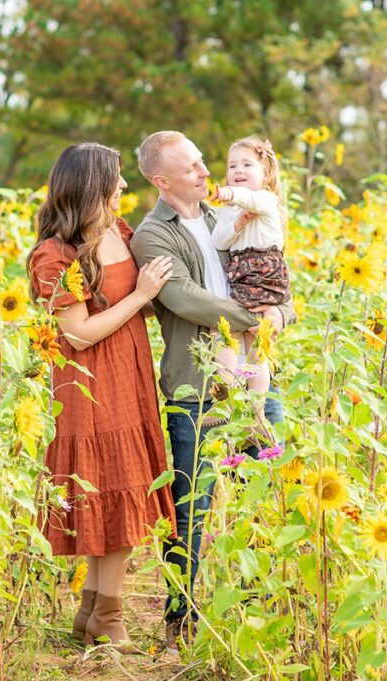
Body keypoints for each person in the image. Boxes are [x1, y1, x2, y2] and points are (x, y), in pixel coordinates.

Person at [128, 131, 298, 653]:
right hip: (196, 387)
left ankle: (260, 614)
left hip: (252, 376)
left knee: (266, 499)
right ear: (162, 180)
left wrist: (282, 312)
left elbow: (276, 283)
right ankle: (181, 622)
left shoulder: (229, 220)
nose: (207, 173)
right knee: (191, 511)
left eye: (207, 163)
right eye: (194, 167)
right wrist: (257, 317)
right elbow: (184, 299)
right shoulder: (153, 235)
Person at [26, 142, 177, 651]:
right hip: (88, 385)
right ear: (92, 185)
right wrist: (140, 297)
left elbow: (150, 299)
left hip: (129, 376)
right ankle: (110, 617)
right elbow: (78, 334)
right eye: (116, 178)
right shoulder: (56, 254)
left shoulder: (121, 232)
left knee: (123, 488)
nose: (124, 187)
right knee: (113, 490)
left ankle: (92, 607)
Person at [209, 135, 291, 405]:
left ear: (266, 173)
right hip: (242, 280)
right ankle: (230, 390)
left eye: (247, 165)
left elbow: (251, 201)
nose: (238, 171)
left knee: (258, 340)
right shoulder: (231, 211)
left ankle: (257, 403)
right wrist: (237, 223)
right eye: (232, 166)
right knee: (230, 332)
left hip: (264, 276)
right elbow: (219, 240)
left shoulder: (265, 199)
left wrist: (228, 194)